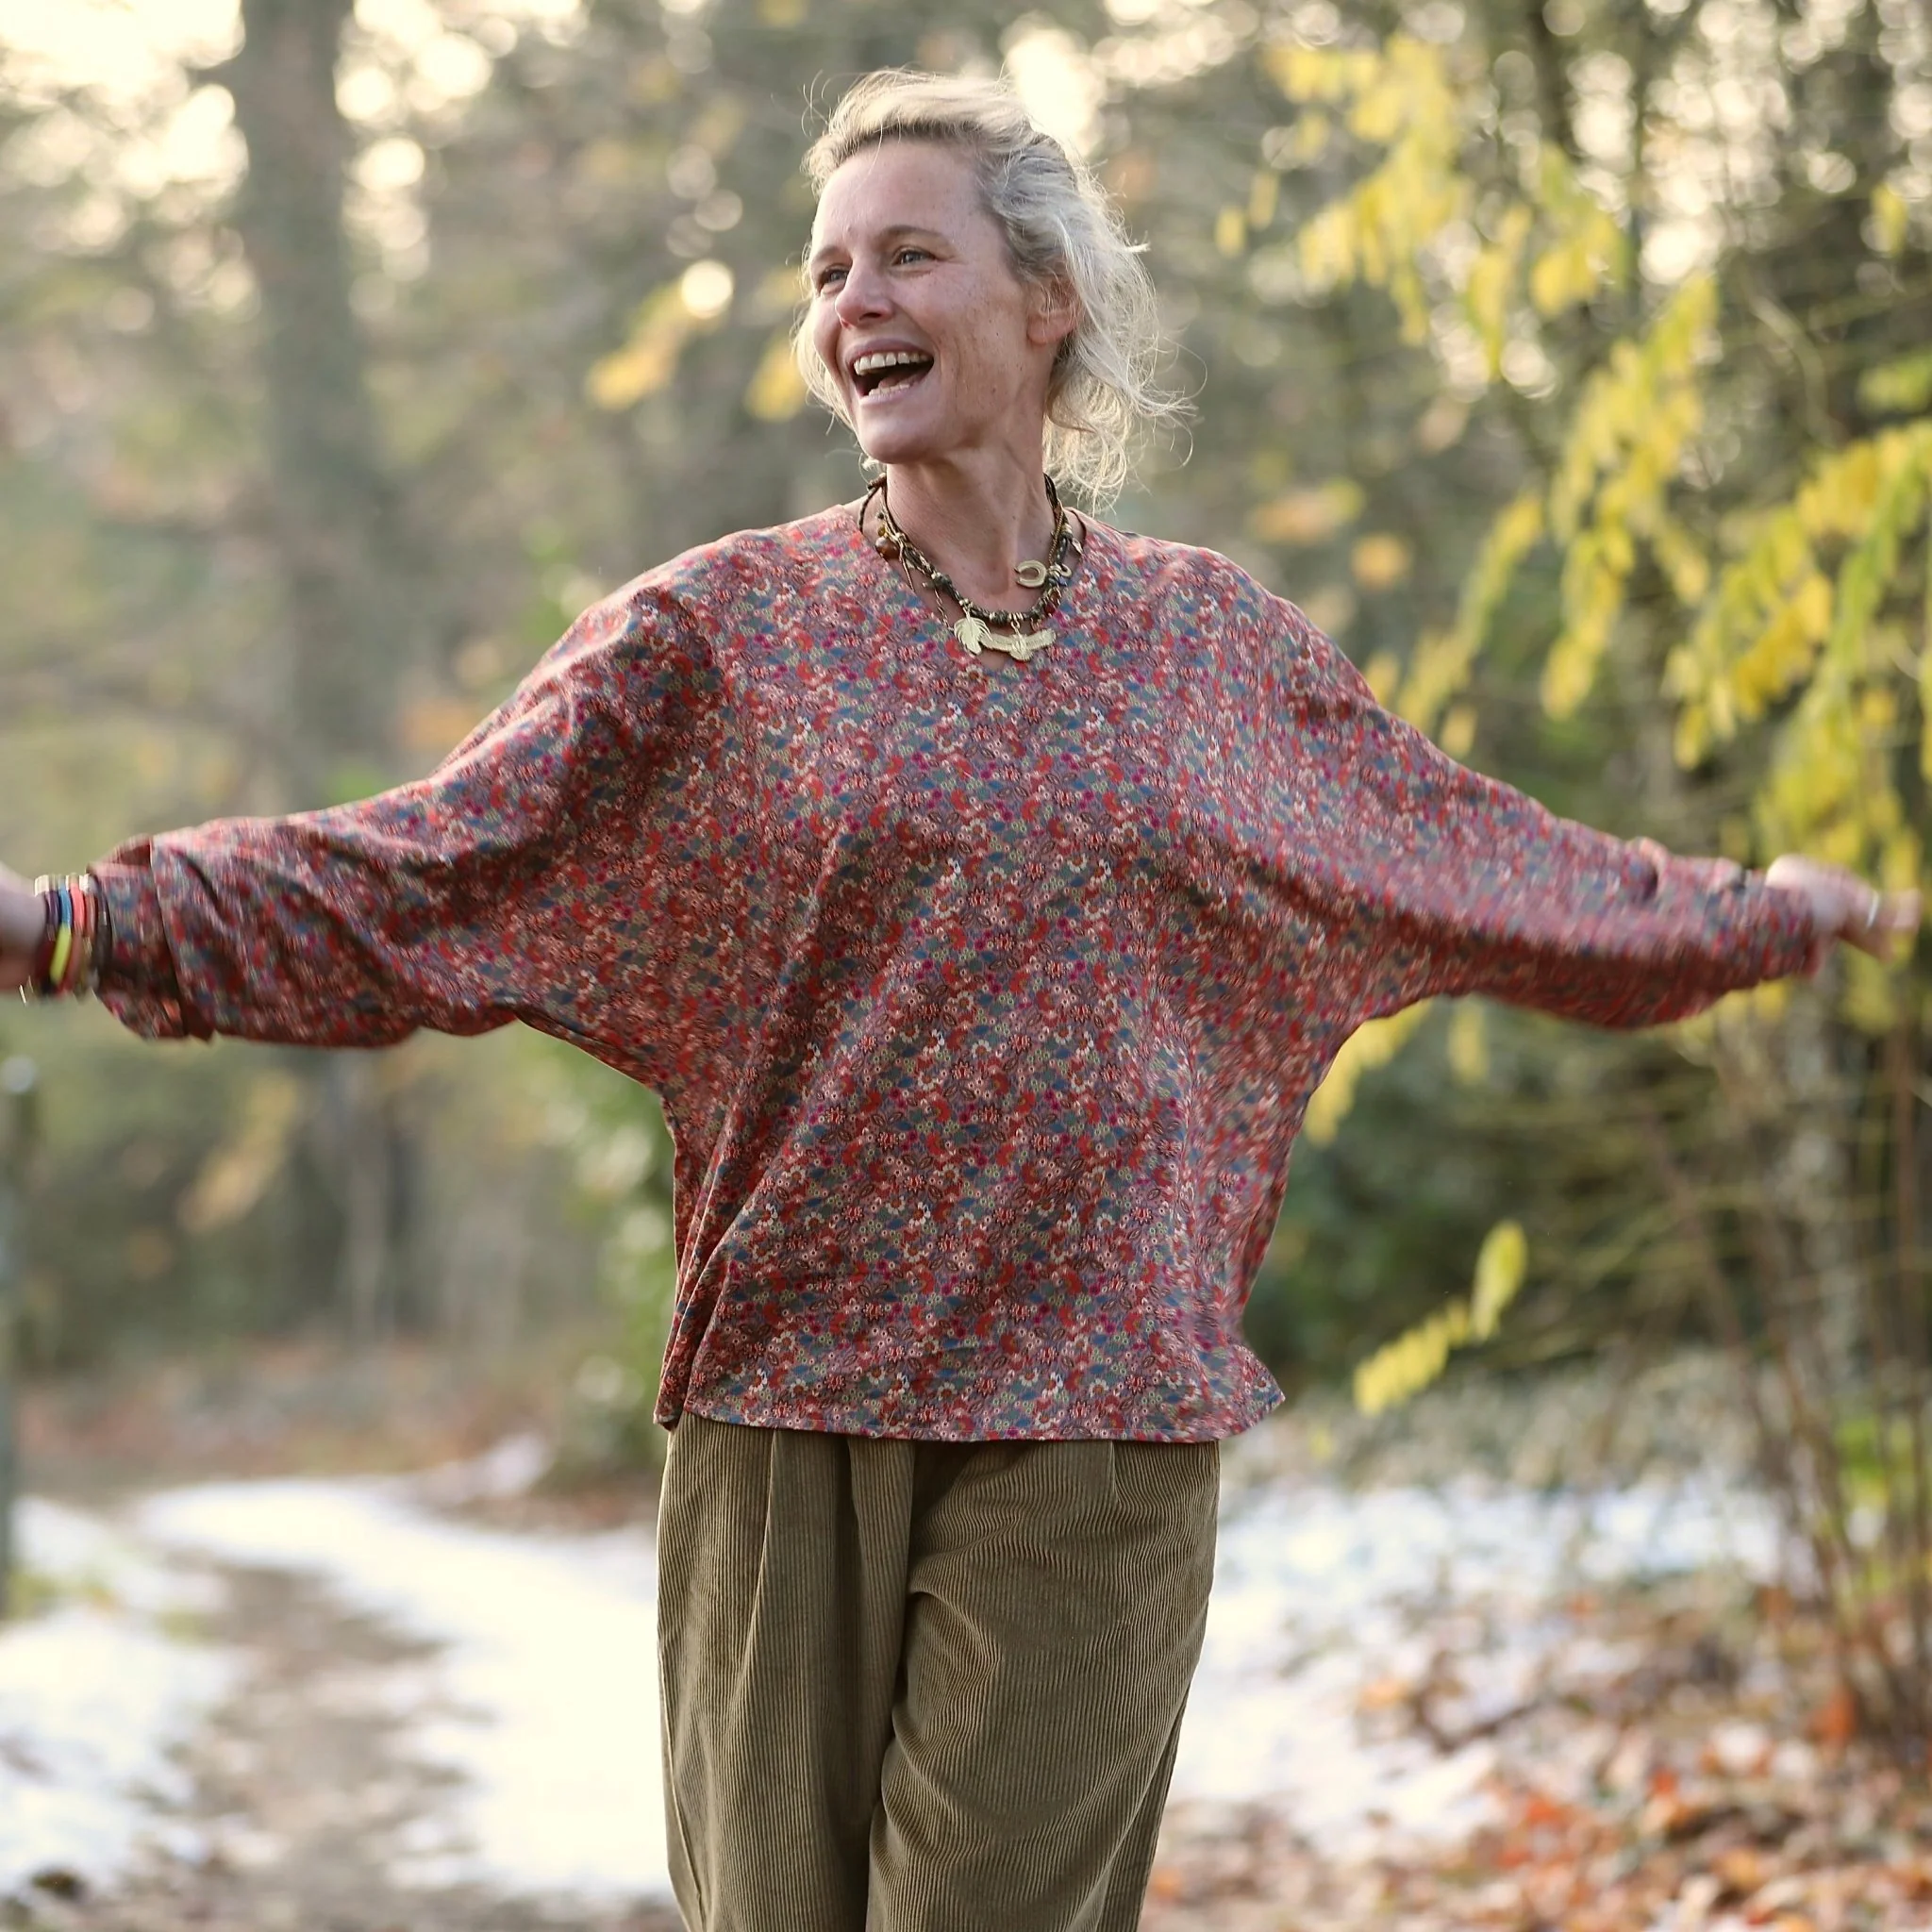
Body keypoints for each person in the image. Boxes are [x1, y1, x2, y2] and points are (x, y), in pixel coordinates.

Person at [0, 66, 1918, 1932]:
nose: (853, 307)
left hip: (1096, 1404)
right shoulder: (721, 637)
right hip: (787, 1401)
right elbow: (423, 867)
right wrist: (77, 924)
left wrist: (1742, 915)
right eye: (826, 273)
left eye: (903, 257)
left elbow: (1468, 860)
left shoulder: (1208, 649)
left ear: (1046, 298)